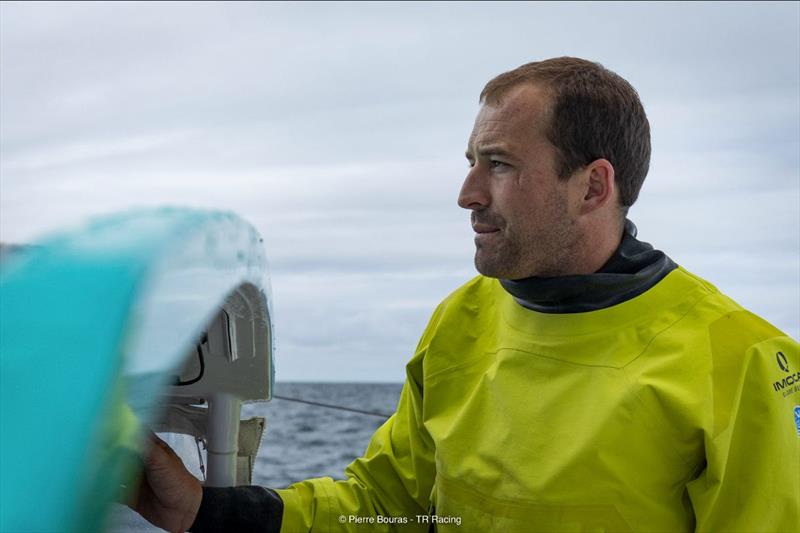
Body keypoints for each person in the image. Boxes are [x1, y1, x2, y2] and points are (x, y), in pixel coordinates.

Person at [130, 57, 799, 533]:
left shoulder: (742, 359)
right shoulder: (462, 318)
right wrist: (206, 510)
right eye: (471, 161)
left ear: (594, 187)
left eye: (499, 164)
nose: (467, 194)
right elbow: (386, 506)